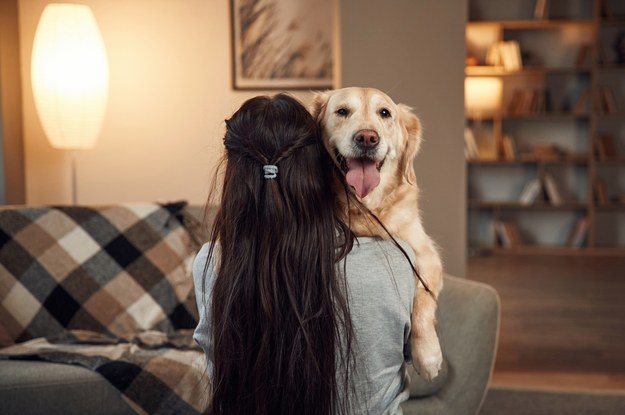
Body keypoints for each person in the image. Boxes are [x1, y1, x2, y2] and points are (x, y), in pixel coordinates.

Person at [193, 93, 416, 415]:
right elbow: (406, 354)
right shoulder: (395, 260)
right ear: (320, 163)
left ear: (233, 171)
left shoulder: (210, 262)